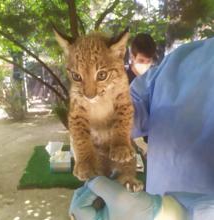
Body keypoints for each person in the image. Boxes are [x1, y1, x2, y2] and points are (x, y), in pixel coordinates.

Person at [69, 37, 214, 219]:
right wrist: (93, 115)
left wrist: (175, 213)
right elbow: (135, 105)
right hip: (152, 200)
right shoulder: (184, 57)